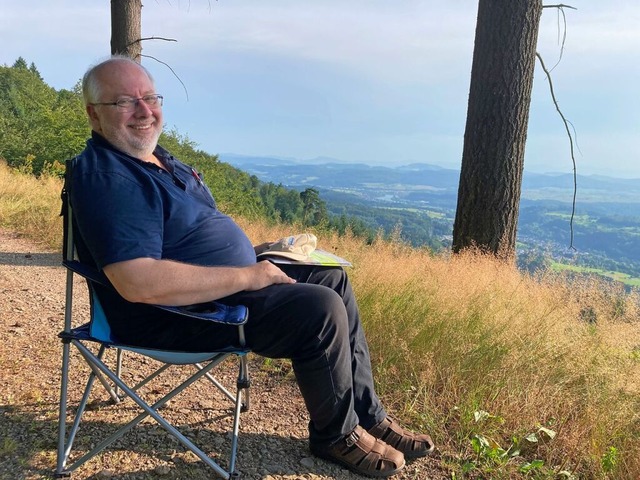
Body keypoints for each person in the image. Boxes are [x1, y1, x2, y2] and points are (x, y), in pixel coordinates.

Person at [69, 55, 434, 478]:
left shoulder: (155, 159)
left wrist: (255, 253)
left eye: (150, 98)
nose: (144, 111)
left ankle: (367, 414)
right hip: (176, 314)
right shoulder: (110, 178)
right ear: (95, 115)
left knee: (332, 276)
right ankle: (336, 435)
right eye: (125, 103)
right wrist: (247, 273)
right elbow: (136, 282)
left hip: (217, 287)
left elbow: (190, 235)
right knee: (319, 309)